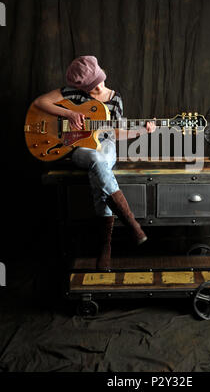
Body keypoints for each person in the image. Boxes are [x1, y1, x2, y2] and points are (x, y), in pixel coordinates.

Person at [33, 55, 156, 268]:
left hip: (106, 145)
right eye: (91, 86)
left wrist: (139, 132)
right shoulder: (74, 93)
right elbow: (39, 102)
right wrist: (69, 113)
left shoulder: (115, 98)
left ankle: (105, 245)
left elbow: (114, 133)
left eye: (97, 81)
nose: (97, 87)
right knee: (96, 161)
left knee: (99, 165)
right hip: (78, 148)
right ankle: (131, 223)